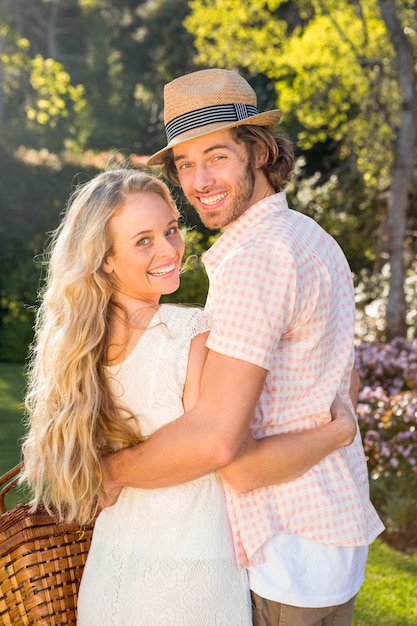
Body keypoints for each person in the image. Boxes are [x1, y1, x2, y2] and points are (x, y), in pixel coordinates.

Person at [100, 69, 385, 626]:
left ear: (257, 152)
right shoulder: (312, 238)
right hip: (333, 540)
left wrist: (111, 473)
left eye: (217, 156)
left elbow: (222, 448)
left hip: (284, 546)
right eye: (184, 163)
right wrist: (338, 429)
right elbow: (343, 382)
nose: (199, 179)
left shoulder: (256, 259)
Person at [20, 167, 357, 625]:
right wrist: (337, 432)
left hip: (110, 576)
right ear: (105, 260)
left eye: (171, 230)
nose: (169, 249)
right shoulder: (192, 336)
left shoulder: (73, 353)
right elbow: (233, 456)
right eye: (144, 240)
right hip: (194, 581)